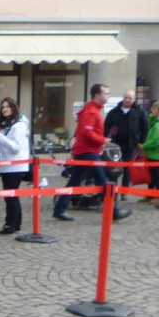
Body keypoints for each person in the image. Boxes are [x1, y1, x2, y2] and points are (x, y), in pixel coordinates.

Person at [53, 84, 126, 222]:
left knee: (74, 181)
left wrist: (100, 143)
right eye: (105, 93)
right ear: (97, 95)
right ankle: (114, 211)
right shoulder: (91, 111)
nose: (108, 96)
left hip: (87, 150)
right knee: (103, 181)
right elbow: (87, 132)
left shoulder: (93, 110)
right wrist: (102, 140)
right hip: (88, 151)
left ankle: (59, 209)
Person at [0, 97, 30, 234]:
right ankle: (16, 223)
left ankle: (10, 224)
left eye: (7, 106)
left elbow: (15, 147)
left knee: (10, 196)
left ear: (14, 108)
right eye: (3, 107)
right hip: (8, 166)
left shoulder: (18, 126)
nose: (4, 109)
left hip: (15, 166)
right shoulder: (7, 125)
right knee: (12, 196)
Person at [104, 89, 149, 189]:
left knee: (128, 168)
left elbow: (145, 127)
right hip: (115, 145)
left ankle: (124, 190)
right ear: (123, 98)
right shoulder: (114, 111)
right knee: (113, 167)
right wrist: (106, 140)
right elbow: (106, 126)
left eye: (130, 98)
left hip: (131, 144)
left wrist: (142, 141)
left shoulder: (140, 111)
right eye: (126, 98)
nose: (127, 100)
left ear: (134, 99)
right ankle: (113, 189)